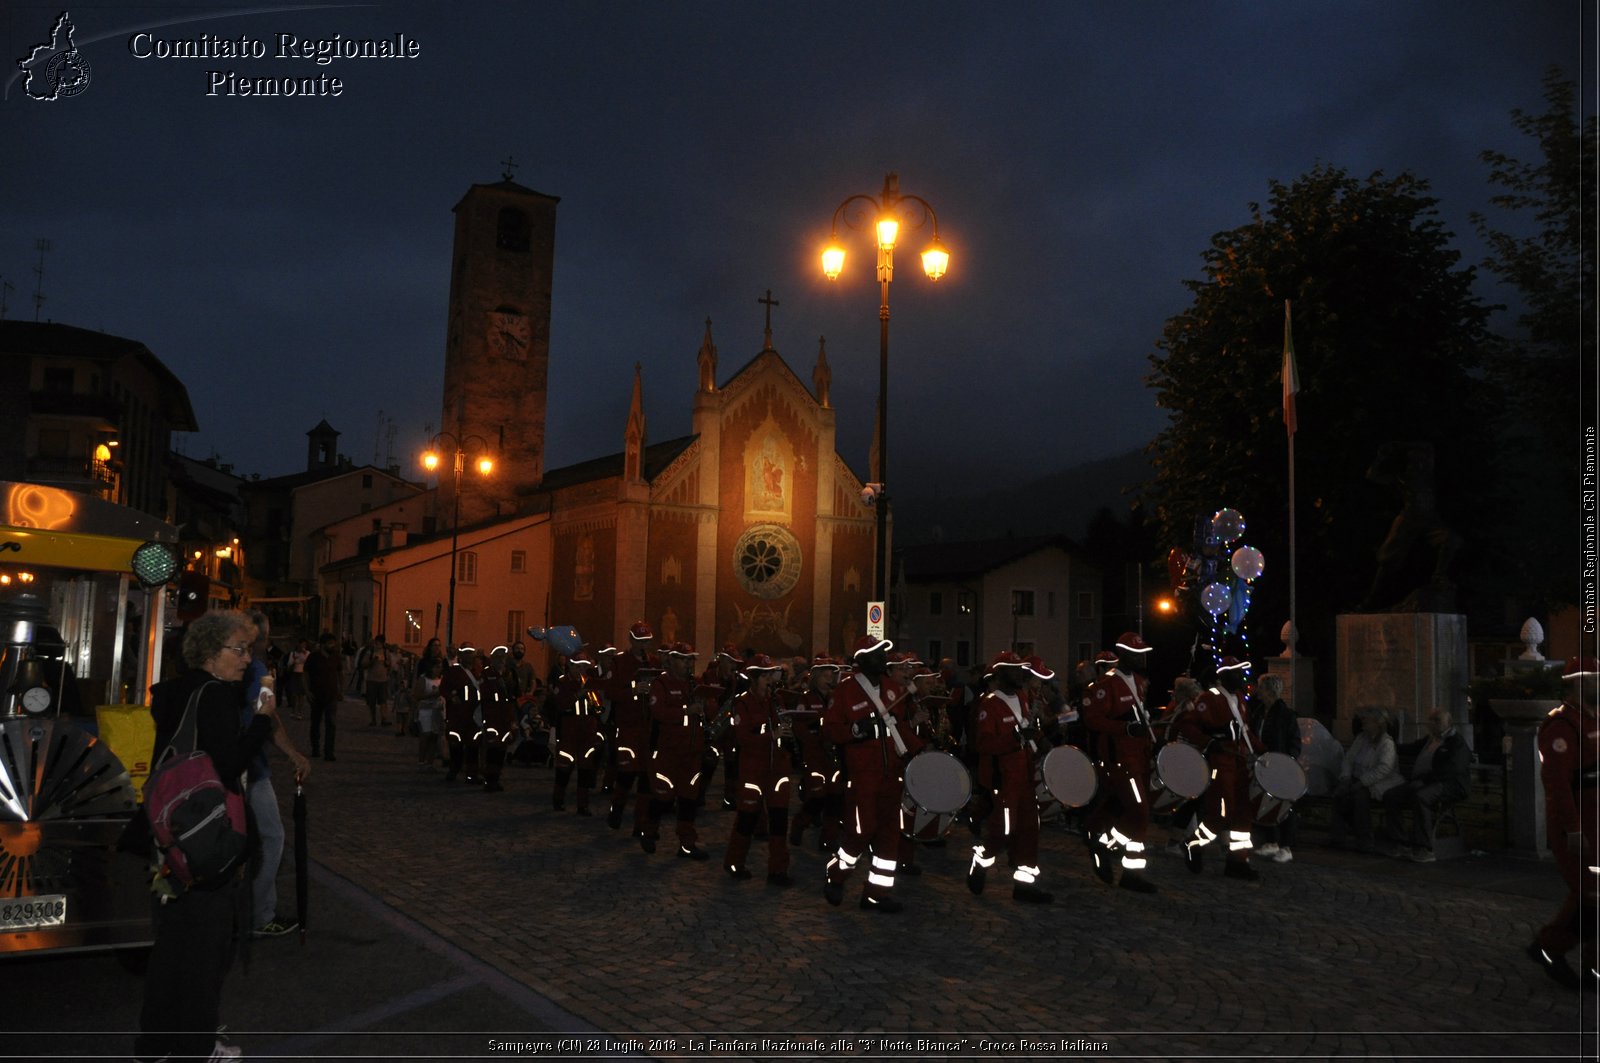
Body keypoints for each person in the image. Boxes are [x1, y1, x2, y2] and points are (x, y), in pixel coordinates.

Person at [134, 609, 277, 1063]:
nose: (247, 660)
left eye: (250, 650)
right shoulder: (214, 695)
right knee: (205, 950)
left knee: (172, 945)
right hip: (203, 838)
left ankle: (155, 1043)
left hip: (169, 834)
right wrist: (262, 720)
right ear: (212, 654)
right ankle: (196, 1045)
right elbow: (230, 763)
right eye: (240, 650)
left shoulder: (176, 692)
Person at [822, 636, 922, 913]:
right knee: (861, 831)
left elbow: (899, 728)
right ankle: (837, 873)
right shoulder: (845, 691)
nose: (883, 658)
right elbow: (830, 730)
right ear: (862, 659)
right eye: (877, 653)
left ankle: (876, 894)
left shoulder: (893, 689)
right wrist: (855, 731)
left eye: (883, 653)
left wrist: (922, 751)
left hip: (892, 775)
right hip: (863, 776)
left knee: (890, 836)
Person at [1527, 656, 1599, 990]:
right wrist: (1573, 828)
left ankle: (1588, 963)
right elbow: (1557, 784)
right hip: (1579, 826)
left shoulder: (1590, 720)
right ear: (1578, 682)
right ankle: (1550, 946)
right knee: (1589, 894)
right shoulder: (1562, 726)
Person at [241, 610, 312, 938]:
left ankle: (245, 909)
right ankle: (259, 913)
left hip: (236, 765)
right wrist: (293, 754)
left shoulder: (231, 665)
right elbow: (269, 717)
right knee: (272, 837)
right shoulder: (255, 670)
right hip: (251, 768)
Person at [967, 651, 1053, 904]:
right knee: (1003, 830)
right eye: (1015, 670)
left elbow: (1026, 729)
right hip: (1002, 779)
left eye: (1021, 670)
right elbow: (984, 743)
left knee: (1029, 830)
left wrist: (1040, 738)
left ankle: (1024, 886)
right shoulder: (989, 704)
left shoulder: (1023, 698)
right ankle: (981, 860)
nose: (1021, 674)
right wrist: (1015, 738)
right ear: (1001, 674)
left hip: (1024, 775)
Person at [1080, 631, 1159, 893]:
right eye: (1137, 654)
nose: (1143, 658)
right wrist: (1125, 728)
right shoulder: (1106, 685)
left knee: (1119, 807)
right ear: (1123, 655)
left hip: (1139, 757)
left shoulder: (1138, 681)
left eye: (1144, 653)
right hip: (1120, 759)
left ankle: (1095, 834)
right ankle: (1127, 869)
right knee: (1140, 812)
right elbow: (1093, 720)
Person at [1177, 657, 1265, 882]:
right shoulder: (1209, 698)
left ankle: (1238, 861)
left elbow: (1246, 732)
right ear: (1224, 675)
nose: (1241, 676)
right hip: (1220, 762)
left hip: (1240, 763)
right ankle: (1193, 844)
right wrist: (1209, 742)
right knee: (1221, 813)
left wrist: (1265, 751)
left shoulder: (1239, 699)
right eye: (1236, 672)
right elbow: (1187, 725)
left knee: (1243, 814)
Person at [723, 654, 795, 884]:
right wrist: (771, 736)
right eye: (764, 675)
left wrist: (786, 731)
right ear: (754, 677)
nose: (769, 679)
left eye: (769, 674)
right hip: (753, 769)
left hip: (778, 768)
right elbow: (743, 737)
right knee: (746, 819)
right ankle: (734, 862)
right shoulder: (742, 703)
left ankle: (778, 870)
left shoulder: (776, 700)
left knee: (779, 821)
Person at [640, 642, 711, 858]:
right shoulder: (661, 683)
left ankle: (687, 844)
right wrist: (685, 710)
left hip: (692, 753)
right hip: (668, 752)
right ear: (672, 660)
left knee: (689, 800)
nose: (688, 663)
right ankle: (649, 831)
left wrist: (707, 706)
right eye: (683, 659)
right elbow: (658, 711)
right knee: (663, 798)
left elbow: (710, 712)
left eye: (690, 659)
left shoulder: (696, 684)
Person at [1380, 706, 1470, 861]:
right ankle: (1401, 841)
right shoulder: (1430, 740)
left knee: (1421, 797)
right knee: (1391, 796)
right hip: (1423, 781)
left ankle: (1424, 846)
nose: (1433, 723)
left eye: (1437, 720)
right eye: (1431, 720)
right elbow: (1410, 748)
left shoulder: (1456, 743)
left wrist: (1425, 781)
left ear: (1448, 723)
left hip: (1448, 784)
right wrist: (1388, 744)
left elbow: (1450, 770)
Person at [1328, 708, 1402, 850]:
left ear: (1377, 723)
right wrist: (1346, 777)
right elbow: (1349, 759)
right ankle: (1337, 837)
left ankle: (1365, 839)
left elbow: (1384, 769)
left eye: (1366, 721)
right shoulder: (1361, 739)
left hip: (1378, 783)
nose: (1363, 724)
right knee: (1339, 795)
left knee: (1359, 797)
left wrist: (1363, 782)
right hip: (1357, 779)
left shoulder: (1386, 743)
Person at [1248, 674, 1300, 863]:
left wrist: (1287, 762)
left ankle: (1286, 846)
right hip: (1263, 764)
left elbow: (1294, 742)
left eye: (1260, 688)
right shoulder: (1260, 712)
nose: (1257, 692)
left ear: (1269, 691)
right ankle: (1272, 840)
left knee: (1284, 805)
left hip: (1279, 765)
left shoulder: (1285, 715)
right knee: (1266, 801)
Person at [305, 631, 343, 761]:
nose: (333, 646)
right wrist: (307, 691)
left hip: (331, 695)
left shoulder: (335, 657)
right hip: (316, 695)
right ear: (322, 645)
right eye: (330, 643)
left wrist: (341, 690)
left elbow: (340, 672)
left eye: (334, 643)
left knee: (331, 724)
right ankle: (315, 748)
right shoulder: (313, 657)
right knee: (315, 723)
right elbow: (306, 674)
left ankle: (329, 752)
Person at [414, 657, 446, 770]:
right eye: (437, 667)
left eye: (440, 667)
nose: (439, 669)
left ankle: (429, 762)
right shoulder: (424, 679)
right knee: (425, 735)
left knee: (434, 736)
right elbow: (417, 696)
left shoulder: (441, 679)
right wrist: (433, 694)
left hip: (437, 710)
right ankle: (421, 760)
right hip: (425, 710)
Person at [362, 634, 391, 727]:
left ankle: (384, 719)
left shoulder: (386, 652)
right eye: (376, 643)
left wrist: (387, 664)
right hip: (372, 679)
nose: (377, 645)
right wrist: (372, 661)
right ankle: (373, 719)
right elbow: (364, 664)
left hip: (383, 680)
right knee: (371, 701)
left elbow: (389, 665)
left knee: (383, 700)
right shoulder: (370, 652)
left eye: (379, 643)